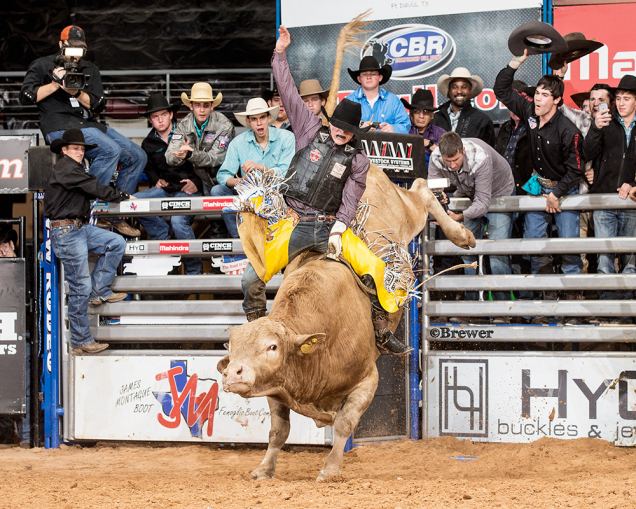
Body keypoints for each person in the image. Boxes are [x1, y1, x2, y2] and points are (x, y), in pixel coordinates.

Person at [243, 25, 409, 354]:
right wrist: (279, 53)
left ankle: (379, 329)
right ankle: (256, 326)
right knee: (250, 277)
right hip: (292, 221)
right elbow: (288, 90)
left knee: (376, 270)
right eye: (338, 128)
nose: (340, 134)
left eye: (347, 131)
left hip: (328, 225)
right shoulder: (307, 128)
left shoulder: (357, 160)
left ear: (354, 132)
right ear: (331, 122)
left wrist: (340, 227)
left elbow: (350, 199)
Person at [20, 25, 145, 237]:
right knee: (110, 149)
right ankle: (91, 206)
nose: (76, 55)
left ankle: (114, 215)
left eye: (80, 50)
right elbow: (25, 97)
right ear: (61, 46)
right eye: (71, 49)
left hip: (88, 124)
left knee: (137, 156)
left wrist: (76, 91)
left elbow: (98, 104)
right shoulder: (43, 65)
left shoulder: (90, 68)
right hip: (59, 126)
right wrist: (55, 84)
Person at [494, 50, 585, 324]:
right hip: (537, 189)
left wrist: (557, 193)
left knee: (569, 249)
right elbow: (501, 88)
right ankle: (541, 307)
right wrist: (516, 62)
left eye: (545, 95)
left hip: (563, 191)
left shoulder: (569, 130)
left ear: (557, 100)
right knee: (535, 247)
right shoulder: (530, 114)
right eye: (538, 94)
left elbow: (577, 169)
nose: (538, 99)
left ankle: (572, 311)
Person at [45, 129, 132, 354]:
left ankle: (99, 289)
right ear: (64, 150)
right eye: (75, 148)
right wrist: (121, 196)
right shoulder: (66, 168)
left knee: (115, 242)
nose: (79, 151)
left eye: (81, 148)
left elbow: (90, 187)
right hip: (67, 230)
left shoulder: (71, 169)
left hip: (77, 228)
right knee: (79, 287)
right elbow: (94, 187)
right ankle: (81, 341)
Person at [429, 132, 515, 314]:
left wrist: (459, 216)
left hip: (500, 193)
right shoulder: (436, 158)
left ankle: (505, 310)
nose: (452, 165)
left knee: (497, 253)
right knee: (467, 252)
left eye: (456, 160)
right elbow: (434, 191)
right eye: (448, 161)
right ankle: (472, 308)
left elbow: (483, 203)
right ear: (441, 155)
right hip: (469, 192)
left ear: (463, 151)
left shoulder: (479, 157)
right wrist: (441, 202)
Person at [135, 93, 202, 275]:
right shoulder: (148, 143)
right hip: (165, 190)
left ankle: (194, 271)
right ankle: (160, 232)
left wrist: (196, 183)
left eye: (163, 115)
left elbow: (202, 163)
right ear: (150, 120)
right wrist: (155, 179)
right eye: (155, 117)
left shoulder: (187, 133)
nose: (160, 120)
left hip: (187, 190)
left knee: (179, 221)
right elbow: (148, 168)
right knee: (134, 202)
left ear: (171, 115)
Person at [584, 75, 636, 311]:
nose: (621, 103)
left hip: (631, 201)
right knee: (604, 259)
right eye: (619, 99)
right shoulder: (605, 123)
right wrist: (595, 127)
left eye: (627, 98)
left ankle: (627, 312)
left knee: (631, 260)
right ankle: (608, 310)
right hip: (604, 197)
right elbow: (587, 152)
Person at [211, 97, 295, 238]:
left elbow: (287, 172)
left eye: (262, 117)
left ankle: (276, 239)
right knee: (217, 191)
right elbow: (223, 175)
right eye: (254, 119)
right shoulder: (238, 143)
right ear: (249, 122)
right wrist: (240, 182)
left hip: (278, 194)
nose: (259, 123)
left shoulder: (287, 138)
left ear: (269, 118)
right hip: (248, 195)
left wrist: (261, 168)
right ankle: (240, 240)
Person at [165, 82, 234, 194]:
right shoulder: (184, 125)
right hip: (198, 180)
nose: (202, 110)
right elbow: (169, 157)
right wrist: (180, 154)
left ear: (212, 106)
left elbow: (216, 158)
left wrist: (190, 155)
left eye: (206, 105)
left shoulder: (224, 125)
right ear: (191, 106)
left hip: (222, 182)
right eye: (197, 105)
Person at [345, 56, 411, 133]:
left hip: (387, 144)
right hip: (357, 144)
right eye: (365, 74)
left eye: (373, 74)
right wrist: (358, 129)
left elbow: (406, 125)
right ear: (359, 79)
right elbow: (341, 128)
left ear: (380, 77)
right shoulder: (349, 101)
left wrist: (393, 128)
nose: (369, 77)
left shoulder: (393, 101)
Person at [433, 67, 495, 146]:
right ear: (449, 91)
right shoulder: (436, 119)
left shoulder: (482, 121)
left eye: (464, 87)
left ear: (470, 91)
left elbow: (488, 154)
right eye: (454, 87)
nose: (459, 91)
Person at [400, 89, 445, 168]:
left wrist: (430, 145)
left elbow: (449, 159)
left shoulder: (440, 133)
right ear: (411, 114)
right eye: (417, 111)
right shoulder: (403, 131)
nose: (421, 116)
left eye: (426, 112)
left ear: (431, 116)